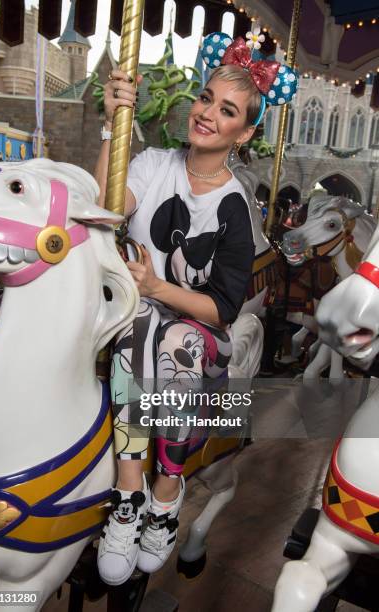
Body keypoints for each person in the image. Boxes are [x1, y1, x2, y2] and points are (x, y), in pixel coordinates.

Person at [94, 46, 264, 586]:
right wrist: (111, 126)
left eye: (228, 110)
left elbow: (222, 307)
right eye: (206, 97)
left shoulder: (235, 207)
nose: (208, 112)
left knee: (171, 343)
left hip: (199, 339)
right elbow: (105, 207)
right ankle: (128, 494)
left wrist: (156, 285)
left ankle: (166, 493)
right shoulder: (152, 165)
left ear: (243, 135)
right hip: (138, 324)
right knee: (135, 327)